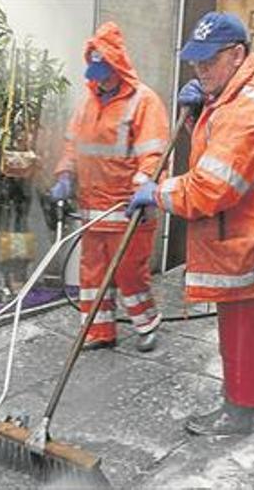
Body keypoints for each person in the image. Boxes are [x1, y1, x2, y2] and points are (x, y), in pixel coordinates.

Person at [127, 12, 254, 436]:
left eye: (209, 61)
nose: (200, 69)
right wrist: (200, 114)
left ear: (236, 55)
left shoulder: (248, 108)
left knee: (249, 335)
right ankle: (251, 401)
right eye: (195, 62)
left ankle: (239, 413)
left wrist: (156, 193)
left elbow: (212, 187)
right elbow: (225, 154)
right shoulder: (237, 95)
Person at [50, 21, 169, 352]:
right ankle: (100, 331)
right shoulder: (87, 104)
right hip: (92, 209)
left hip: (127, 209)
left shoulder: (144, 102)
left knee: (130, 273)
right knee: (92, 276)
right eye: (94, 70)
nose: (98, 78)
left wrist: (144, 188)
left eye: (104, 70)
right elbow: (73, 145)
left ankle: (146, 324)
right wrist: (64, 175)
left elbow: (154, 153)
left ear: (118, 67)